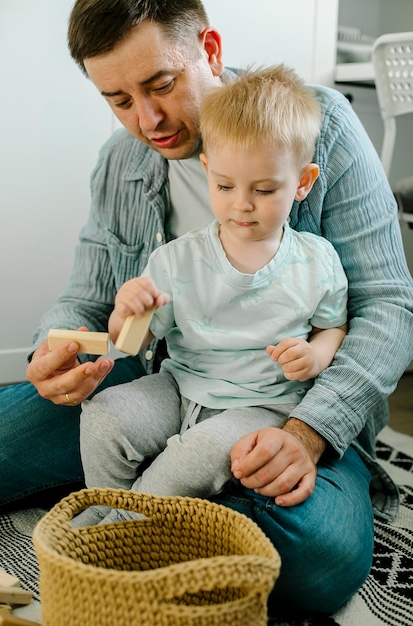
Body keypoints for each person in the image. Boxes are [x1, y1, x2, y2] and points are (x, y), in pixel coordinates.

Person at [0, 0, 411, 614]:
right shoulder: (124, 161)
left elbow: (388, 306)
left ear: (209, 50)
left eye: (160, 84)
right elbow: (87, 296)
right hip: (167, 376)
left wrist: (308, 434)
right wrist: (52, 351)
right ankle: (183, 502)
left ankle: (170, 506)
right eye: (118, 100)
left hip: (286, 396)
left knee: (311, 559)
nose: (148, 119)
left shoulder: (316, 126)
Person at [76, 65, 348, 524]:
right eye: (225, 186)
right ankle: (110, 518)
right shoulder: (177, 260)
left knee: (196, 454)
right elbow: (130, 345)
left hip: (264, 405)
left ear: (302, 182)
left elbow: (333, 325)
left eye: (264, 190)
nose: (241, 203)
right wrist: (128, 313)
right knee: (103, 415)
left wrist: (317, 355)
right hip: (181, 387)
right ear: (208, 171)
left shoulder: (316, 261)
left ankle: (110, 536)